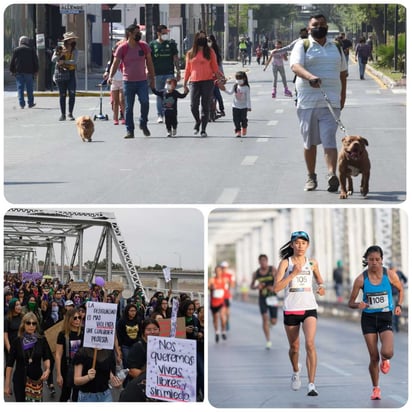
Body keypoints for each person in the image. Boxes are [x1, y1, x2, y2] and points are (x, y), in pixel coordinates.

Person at [290, 14, 347, 192]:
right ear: (309, 28)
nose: (319, 27)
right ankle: (311, 176)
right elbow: (295, 66)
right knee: (309, 142)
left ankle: (331, 174)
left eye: (322, 24)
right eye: (315, 25)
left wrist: (342, 96)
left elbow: (343, 74)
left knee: (329, 138)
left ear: (327, 27)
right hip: (307, 101)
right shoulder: (302, 45)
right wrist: (310, 77)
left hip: (331, 102)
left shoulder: (336, 47)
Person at [348, 245, 404, 400]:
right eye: (371, 260)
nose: (374, 262)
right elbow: (350, 302)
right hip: (369, 319)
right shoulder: (361, 279)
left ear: (381, 260)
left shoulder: (390, 275)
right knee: (373, 357)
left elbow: (400, 290)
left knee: (387, 352)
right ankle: (376, 389)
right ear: (366, 260)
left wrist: (398, 305)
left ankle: (385, 360)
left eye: (377, 260)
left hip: (385, 316)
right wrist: (358, 304)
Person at [274, 231, 326, 396]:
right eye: (297, 243)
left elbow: (319, 279)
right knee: (294, 347)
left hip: (309, 307)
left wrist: (321, 287)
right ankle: (296, 371)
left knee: (310, 344)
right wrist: (293, 274)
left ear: (308, 245)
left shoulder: (312, 263)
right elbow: (276, 288)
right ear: (291, 245)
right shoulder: (285, 263)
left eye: (304, 243)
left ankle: (311, 384)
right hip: (291, 308)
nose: (300, 246)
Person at [108, 24, 155, 139]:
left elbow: (149, 62)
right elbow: (115, 63)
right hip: (128, 82)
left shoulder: (144, 46)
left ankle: (143, 123)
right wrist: (110, 76)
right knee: (128, 107)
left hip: (142, 81)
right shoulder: (122, 48)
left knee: (145, 102)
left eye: (139, 32)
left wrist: (152, 78)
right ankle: (130, 130)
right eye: (136, 33)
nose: (139, 35)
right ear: (129, 33)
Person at [4, 312, 52, 401]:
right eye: (28, 323)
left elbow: (46, 357)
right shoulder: (17, 341)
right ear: (23, 324)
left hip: (36, 379)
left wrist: (48, 369)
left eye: (34, 323)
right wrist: (7, 385)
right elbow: (9, 364)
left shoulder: (41, 340)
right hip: (20, 380)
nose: (31, 326)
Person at [183, 31, 223, 137]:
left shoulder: (210, 52)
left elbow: (215, 67)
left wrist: (220, 79)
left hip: (207, 81)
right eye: (200, 38)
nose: (202, 39)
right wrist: (184, 83)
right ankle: (197, 121)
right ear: (196, 40)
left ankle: (203, 129)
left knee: (205, 106)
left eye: (203, 37)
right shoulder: (190, 53)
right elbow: (187, 69)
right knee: (193, 105)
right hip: (194, 82)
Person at [120, 319, 161, 401]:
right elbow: (132, 371)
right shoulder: (138, 347)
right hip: (140, 389)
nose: (152, 332)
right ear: (143, 332)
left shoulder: (161, 346)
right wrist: (151, 379)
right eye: (148, 330)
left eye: (155, 329)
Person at [150, 24, 181, 124]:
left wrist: (178, 71)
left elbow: (175, 58)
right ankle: (160, 114)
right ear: (158, 33)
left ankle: (169, 112)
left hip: (169, 73)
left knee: (169, 94)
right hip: (157, 73)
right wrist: (149, 71)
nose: (165, 34)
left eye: (166, 33)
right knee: (159, 94)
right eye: (163, 33)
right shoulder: (152, 44)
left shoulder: (171, 44)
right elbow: (149, 59)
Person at [55, 308, 84, 402]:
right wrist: (59, 374)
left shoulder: (83, 333)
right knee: (65, 394)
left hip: (80, 368)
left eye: (79, 317)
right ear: (69, 319)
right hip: (67, 368)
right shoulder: (62, 335)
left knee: (77, 394)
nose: (78, 320)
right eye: (75, 318)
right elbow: (58, 355)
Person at [250, 254, 278, 349]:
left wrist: (273, 287)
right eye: (261, 261)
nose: (263, 263)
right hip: (262, 298)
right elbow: (251, 286)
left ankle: (271, 323)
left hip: (272, 297)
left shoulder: (272, 270)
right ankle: (268, 340)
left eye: (264, 261)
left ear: (267, 261)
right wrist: (257, 287)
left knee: (274, 321)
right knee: (264, 318)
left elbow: (279, 280)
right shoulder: (256, 273)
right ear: (259, 262)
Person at [52, 32, 79, 121]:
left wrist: (64, 62)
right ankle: (63, 114)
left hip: (71, 73)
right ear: (67, 41)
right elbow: (53, 59)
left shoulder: (75, 50)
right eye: (71, 39)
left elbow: (74, 61)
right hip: (61, 73)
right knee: (62, 94)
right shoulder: (59, 49)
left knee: (72, 93)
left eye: (73, 39)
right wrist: (60, 55)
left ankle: (70, 113)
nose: (73, 40)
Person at [9, 35, 38, 109]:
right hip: (29, 71)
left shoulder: (16, 50)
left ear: (20, 42)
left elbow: (12, 61)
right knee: (29, 88)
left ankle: (22, 104)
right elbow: (35, 61)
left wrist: (12, 70)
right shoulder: (31, 50)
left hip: (19, 71)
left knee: (20, 88)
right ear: (27, 42)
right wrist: (36, 71)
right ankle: (30, 103)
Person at [219, 71, 251, 137]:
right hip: (235, 106)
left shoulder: (246, 88)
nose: (238, 80)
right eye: (237, 79)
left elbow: (248, 98)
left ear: (244, 79)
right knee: (236, 119)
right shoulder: (235, 85)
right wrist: (224, 89)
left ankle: (244, 127)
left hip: (243, 107)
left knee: (243, 119)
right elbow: (230, 92)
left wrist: (249, 107)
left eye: (240, 79)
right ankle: (238, 131)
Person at [103, 42, 126, 125]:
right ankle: (115, 119)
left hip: (123, 82)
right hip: (114, 82)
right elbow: (107, 71)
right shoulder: (111, 62)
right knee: (115, 102)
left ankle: (124, 117)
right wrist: (106, 75)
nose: (115, 53)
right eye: (114, 52)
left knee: (122, 101)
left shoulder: (124, 60)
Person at [116, 302, 143, 369]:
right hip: (126, 346)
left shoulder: (138, 320)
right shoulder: (122, 321)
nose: (133, 312)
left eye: (134, 311)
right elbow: (119, 334)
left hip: (136, 345)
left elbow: (140, 332)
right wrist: (119, 346)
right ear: (127, 311)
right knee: (127, 362)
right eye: (131, 311)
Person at [208, 265, 228, 343]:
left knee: (223, 318)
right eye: (216, 271)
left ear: (221, 271)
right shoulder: (212, 280)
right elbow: (208, 287)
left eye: (219, 271)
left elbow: (227, 287)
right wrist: (211, 288)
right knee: (215, 318)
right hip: (214, 302)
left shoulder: (225, 280)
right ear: (215, 272)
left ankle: (223, 331)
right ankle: (217, 332)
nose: (218, 272)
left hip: (221, 302)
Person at [208, 34, 226, 117]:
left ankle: (222, 109)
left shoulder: (214, 50)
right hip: (208, 77)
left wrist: (221, 77)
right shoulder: (204, 50)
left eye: (209, 41)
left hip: (216, 75)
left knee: (218, 94)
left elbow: (219, 65)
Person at [220, 261, 235, 331]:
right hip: (220, 297)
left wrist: (228, 282)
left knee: (227, 312)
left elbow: (232, 285)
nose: (224, 269)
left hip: (227, 296)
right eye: (222, 267)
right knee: (222, 311)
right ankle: (223, 322)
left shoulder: (230, 275)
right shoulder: (219, 275)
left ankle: (227, 321)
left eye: (225, 267)